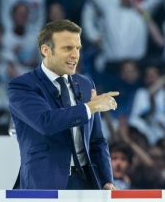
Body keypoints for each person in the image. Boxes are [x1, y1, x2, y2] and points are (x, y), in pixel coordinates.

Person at [8, 20, 119, 190]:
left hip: (86, 184)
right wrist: (90, 107)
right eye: (67, 48)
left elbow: (97, 140)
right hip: (44, 185)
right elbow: (46, 122)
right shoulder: (23, 86)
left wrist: (107, 180)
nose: (75, 55)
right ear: (46, 50)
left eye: (78, 48)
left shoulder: (85, 83)